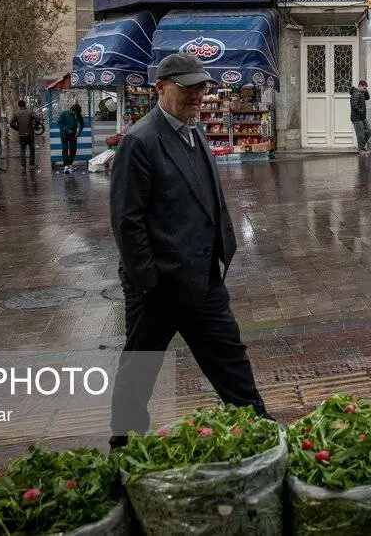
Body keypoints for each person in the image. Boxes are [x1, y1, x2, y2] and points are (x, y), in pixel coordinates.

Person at [108, 53, 269, 449]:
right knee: (140, 370)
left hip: (201, 277)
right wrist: (149, 282)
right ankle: (123, 445)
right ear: (160, 88)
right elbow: (127, 222)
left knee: (230, 358)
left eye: (201, 87)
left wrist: (220, 247)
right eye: (188, 88)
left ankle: (263, 432)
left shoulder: (193, 132)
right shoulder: (140, 141)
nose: (197, 95)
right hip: (158, 285)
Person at [57, 103, 84, 174]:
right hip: (64, 134)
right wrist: (66, 130)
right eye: (75, 112)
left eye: (77, 113)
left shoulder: (78, 115)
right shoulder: (64, 113)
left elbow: (82, 124)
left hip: (73, 134)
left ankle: (70, 164)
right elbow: (59, 123)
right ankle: (66, 165)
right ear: (72, 110)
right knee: (65, 149)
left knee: (73, 149)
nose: (76, 114)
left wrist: (79, 132)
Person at [10, 99, 36, 170]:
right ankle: (31, 164)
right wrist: (34, 126)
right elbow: (37, 119)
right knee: (32, 149)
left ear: (19, 105)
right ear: (25, 104)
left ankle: (23, 165)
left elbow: (11, 123)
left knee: (22, 149)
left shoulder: (16, 113)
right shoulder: (30, 112)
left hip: (21, 134)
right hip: (30, 133)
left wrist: (17, 128)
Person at [350, 80, 371, 154]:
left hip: (362, 117)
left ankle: (361, 146)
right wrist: (360, 111)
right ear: (360, 86)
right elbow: (354, 105)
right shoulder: (355, 93)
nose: (365, 89)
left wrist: (365, 90)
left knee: (368, 131)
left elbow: (368, 97)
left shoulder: (361, 93)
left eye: (366, 88)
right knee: (360, 134)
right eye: (364, 88)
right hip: (357, 118)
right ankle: (360, 148)